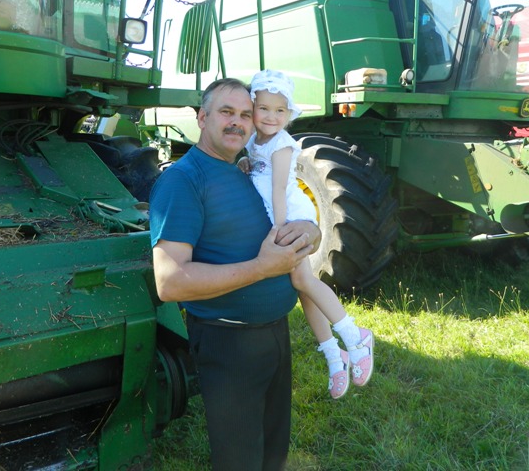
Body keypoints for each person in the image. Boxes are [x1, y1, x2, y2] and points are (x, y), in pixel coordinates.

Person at [150, 77, 322, 471]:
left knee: (273, 449)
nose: (237, 122)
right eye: (226, 112)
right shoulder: (183, 181)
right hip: (228, 341)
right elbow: (169, 282)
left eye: (246, 114)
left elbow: (288, 215)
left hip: (275, 333)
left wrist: (311, 231)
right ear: (202, 117)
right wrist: (261, 269)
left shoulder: (248, 170)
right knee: (240, 459)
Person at [241, 70, 374, 399]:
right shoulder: (254, 141)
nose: (271, 117)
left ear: (289, 114)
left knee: (303, 280)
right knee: (302, 288)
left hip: (289, 217)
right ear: (253, 108)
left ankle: (355, 336)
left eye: (280, 111)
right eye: (264, 108)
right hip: (276, 216)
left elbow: (278, 190)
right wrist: (245, 163)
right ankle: (335, 356)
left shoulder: (282, 145)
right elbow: (256, 172)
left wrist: (277, 231)